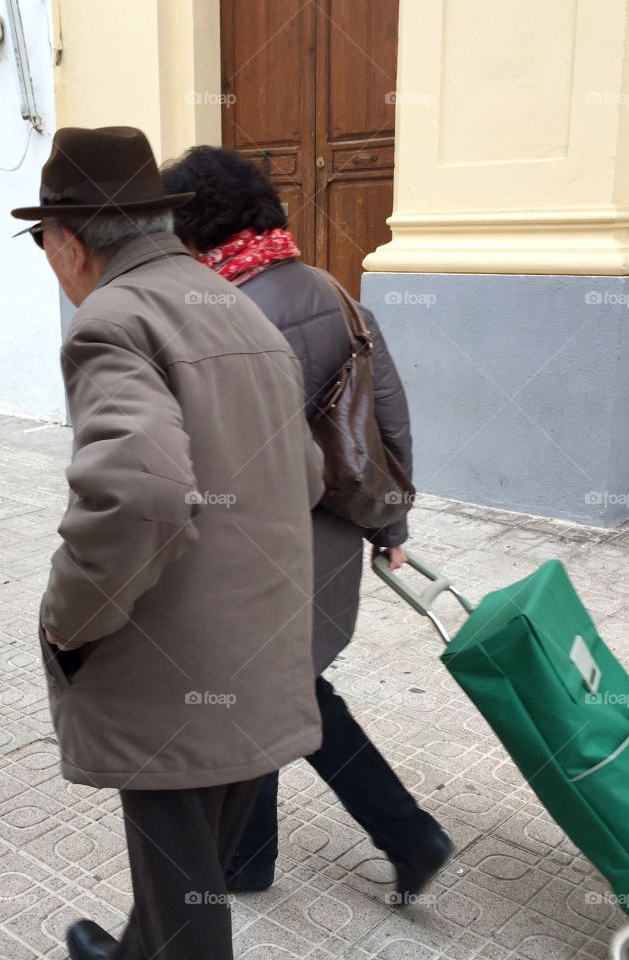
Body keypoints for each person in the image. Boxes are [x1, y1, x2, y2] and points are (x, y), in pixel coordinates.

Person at [12, 127, 325, 960]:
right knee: (189, 867)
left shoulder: (111, 320)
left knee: (188, 903)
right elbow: (307, 472)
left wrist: (67, 617)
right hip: (259, 648)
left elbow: (140, 495)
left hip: (174, 673)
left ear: (70, 241)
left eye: (41, 242)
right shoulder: (239, 306)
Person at [161, 145, 454, 905]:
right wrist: (392, 525)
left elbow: (217, 460)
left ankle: (407, 833)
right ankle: (254, 860)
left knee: (282, 695)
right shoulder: (332, 288)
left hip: (258, 549)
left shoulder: (224, 315)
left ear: (197, 227)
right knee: (279, 689)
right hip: (327, 539)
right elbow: (386, 412)